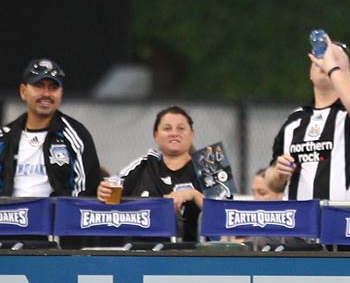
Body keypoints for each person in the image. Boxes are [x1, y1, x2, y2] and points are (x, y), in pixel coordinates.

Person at [265, 34, 350, 201]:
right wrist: (278, 172)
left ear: (348, 73)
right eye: (320, 57)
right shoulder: (294, 120)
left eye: (334, 58)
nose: (325, 62)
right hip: (301, 222)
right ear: (310, 73)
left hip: (348, 221)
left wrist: (332, 69)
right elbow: (272, 183)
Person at [97, 105, 209, 240]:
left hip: (197, 256)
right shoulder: (142, 164)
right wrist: (103, 190)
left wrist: (193, 194)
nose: (174, 133)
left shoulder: (210, 163)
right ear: (156, 135)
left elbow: (224, 216)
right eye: (167, 128)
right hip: (143, 255)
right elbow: (111, 188)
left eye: (181, 128)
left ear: (192, 134)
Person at [0, 58, 101, 198]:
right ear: (23, 91)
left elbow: (87, 191)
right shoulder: (4, 138)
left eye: (53, 87)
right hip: (10, 218)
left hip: (58, 218)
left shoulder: (76, 135)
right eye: (39, 86)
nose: (46, 94)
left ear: (61, 93)